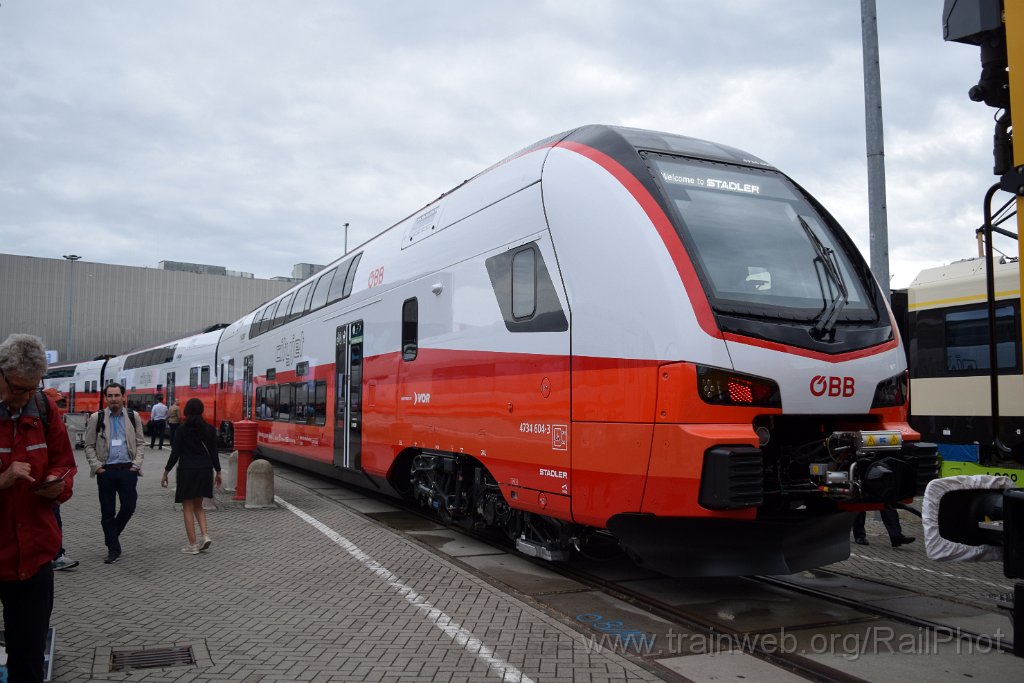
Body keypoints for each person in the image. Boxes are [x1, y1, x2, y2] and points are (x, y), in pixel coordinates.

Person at [0, 333, 77, 683]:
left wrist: (57, 485)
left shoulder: (44, 409)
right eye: (18, 389)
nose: (25, 398)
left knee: (28, 659)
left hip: (34, 560)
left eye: (33, 389)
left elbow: (64, 461)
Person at [84, 382, 145, 564]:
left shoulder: (134, 417)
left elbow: (141, 442)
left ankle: (111, 536)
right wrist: (97, 467)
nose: (114, 399)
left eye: (117, 395)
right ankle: (113, 548)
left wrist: (136, 464)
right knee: (107, 512)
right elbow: (89, 445)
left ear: (123, 396)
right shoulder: (97, 417)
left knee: (129, 507)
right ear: (106, 398)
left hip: (128, 470)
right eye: (110, 396)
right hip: (107, 471)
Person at [161, 398, 221, 554]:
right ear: (201, 410)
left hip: (187, 471)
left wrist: (166, 472)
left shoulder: (181, 430)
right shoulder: (209, 429)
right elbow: (214, 453)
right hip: (205, 470)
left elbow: (175, 454)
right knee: (199, 506)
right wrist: (219, 472)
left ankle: (193, 545)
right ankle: (205, 535)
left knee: (187, 507)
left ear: (186, 411)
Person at [43, 387, 79, 571]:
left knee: (55, 518)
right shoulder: (44, 420)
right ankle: (56, 556)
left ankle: (56, 554)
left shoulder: (53, 422)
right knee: (53, 519)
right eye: (56, 402)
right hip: (43, 484)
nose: (59, 406)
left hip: (52, 481)